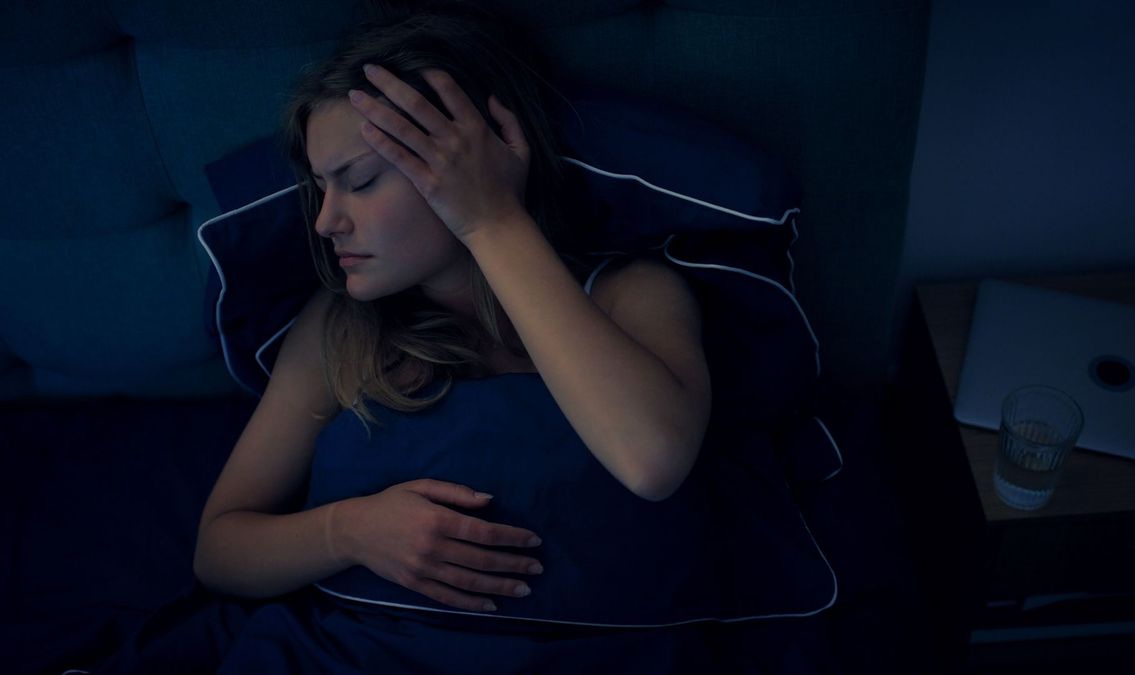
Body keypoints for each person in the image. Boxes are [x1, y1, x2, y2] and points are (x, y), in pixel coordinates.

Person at [180, 1, 741, 672]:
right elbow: (219, 550)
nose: (327, 221)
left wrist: (490, 218)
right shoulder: (341, 328)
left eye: (359, 181)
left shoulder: (630, 294)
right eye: (319, 188)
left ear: (471, 160)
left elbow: (651, 459)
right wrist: (348, 530)